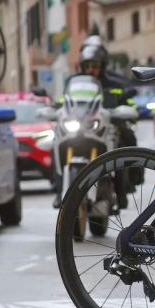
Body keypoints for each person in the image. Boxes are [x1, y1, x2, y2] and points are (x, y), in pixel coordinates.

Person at [51, 36, 140, 209]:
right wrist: (56, 108)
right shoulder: (73, 82)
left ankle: (124, 189)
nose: (91, 70)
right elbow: (65, 101)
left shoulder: (115, 82)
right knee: (55, 141)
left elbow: (130, 103)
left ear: (102, 65)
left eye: (95, 66)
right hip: (80, 125)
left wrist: (126, 108)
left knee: (126, 140)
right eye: (88, 66)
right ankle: (58, 189)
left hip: (107, 124)